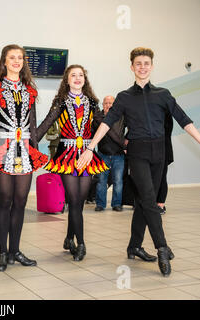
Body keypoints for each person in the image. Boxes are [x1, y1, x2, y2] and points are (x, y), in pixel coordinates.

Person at [78, 47, 200, 277]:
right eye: (138, 63)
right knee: (148, 200)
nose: (142, 67)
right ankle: (162, 247)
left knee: (147, 200)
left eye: (146, 63)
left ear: (151, 66)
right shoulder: (124, 97)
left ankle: (134, 245)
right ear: (132, 67)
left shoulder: (163, 94)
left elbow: (183, 119)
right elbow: (107, 122)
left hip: (159, 152)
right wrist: (90, 147)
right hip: (137, 151)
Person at [0, 44, 49, 272]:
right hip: (2, 149)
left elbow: (32, 124)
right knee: (5, 200)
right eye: (12, 57)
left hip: (25, 150)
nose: (17, 61)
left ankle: (15, 251)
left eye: (20, 57)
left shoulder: (30, 90)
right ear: (4, 61)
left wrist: (35, 153)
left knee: (21, 202)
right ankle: (2, 252)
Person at [40, 65, 110, 261]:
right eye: (73, 75)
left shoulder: (92, 103)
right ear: (67, 80)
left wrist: (124, 144)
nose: (78, 78)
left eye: (81, 75)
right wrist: (29, 141)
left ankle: (69, 238)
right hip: (66, 159)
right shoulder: (60, 102)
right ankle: (81, 244)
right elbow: (46, 124)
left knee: (78, 202)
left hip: (87, 157)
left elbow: (104, 125)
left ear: (84, 80)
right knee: (74, 202)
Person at [94, 95, 126, 212]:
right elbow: (93, 133)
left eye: (111, 103)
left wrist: (127, 141)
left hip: (119, 155)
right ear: (103, 105)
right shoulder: (98, 118)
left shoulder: (122, 117)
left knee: (118, 181)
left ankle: (117, 204)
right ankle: (100, 204)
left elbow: (132, 128)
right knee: (101, 181)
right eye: (106, 103)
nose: (108, 105)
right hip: (103, 154)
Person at [156, 112, 173, 215]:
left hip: (163, 150)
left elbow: (167, 131)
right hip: (149, 151)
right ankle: (152, 203)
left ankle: (161, 204)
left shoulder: (166, 114)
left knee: (161, 178)